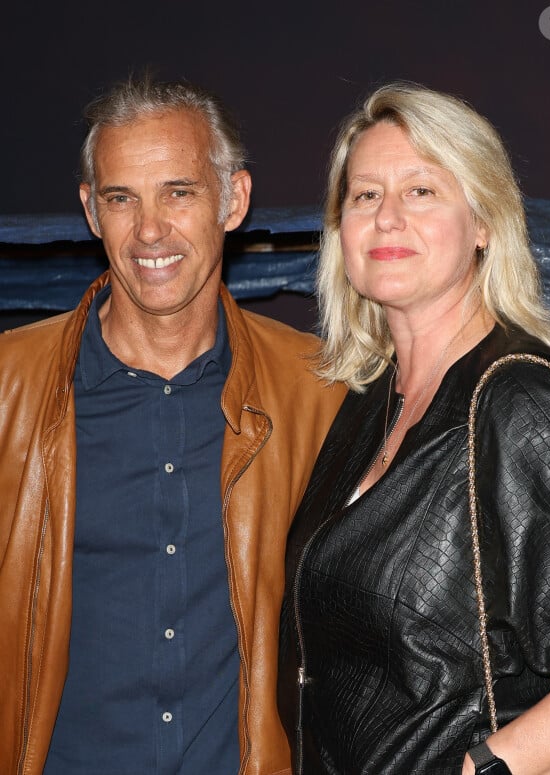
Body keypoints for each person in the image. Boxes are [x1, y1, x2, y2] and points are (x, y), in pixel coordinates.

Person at [0, 75, 345, 775]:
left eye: (178, 192)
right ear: (91, 212)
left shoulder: (319, 390)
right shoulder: (8, 388)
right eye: (121, 198)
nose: (149, 230)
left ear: (234, 200)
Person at [278, 82, 550, 775]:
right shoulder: (371, 401)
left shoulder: (519, 404)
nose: (387, 218)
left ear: (482, 222)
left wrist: (484, 769)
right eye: (365, 196)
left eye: (421, 191)